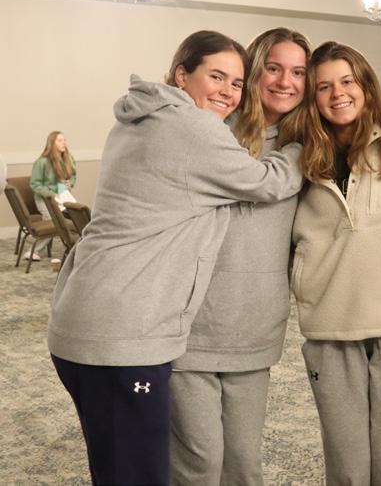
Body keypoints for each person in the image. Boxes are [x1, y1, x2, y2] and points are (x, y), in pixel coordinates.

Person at [47, 30, 304, 486]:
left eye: (236, 82)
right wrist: (302, 148)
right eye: (216, 76)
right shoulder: (192, 127)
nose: (228, 91)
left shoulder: (146, 116)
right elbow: (267, 182)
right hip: (124, 330)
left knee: (121, 467)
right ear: (182, 75)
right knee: (140, 472)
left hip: (94, 317)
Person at [291, 41, 381, 485]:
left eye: (347, 81)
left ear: (366, 85)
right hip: (330, 324)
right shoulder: (298, 153)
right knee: (347, 464)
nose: (338, 93)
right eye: (324, 86)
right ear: (312, 96)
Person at [169, 27, 310, 485]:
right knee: (199, 463)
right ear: (253, 72)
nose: (285, 81)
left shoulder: (308, 144)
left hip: (256, 325)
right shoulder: (208, 127)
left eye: (298, 72)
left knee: (244, 464)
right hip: (191, 326)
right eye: (273, 68)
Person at [27, 131, 76, 260]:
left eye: (64, 140)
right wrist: (51, 194)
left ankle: (75, 247)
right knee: (53, 220)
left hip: (62, 196)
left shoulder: (69, 159)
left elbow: (73, 176)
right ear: (52, 143)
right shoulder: (41, 162)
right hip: (45, 199)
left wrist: (69, 183)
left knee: (77, 216)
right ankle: (35, 250)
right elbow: (35, 184)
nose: (64, 143)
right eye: (60, 140)